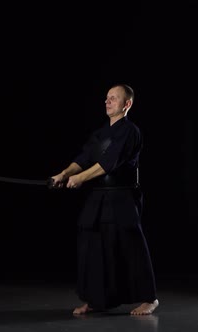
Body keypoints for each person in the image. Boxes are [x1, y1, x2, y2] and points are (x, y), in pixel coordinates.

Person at [50, 84, 159, 315]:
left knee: (130, 246)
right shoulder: (99, 133)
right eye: (107, 98)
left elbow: (110, 162)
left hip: (122, 196)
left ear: (126, 104)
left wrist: (80, 178)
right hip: (99, 195)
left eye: (114, 98)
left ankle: (149, 299)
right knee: (93, 245)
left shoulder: (130, 131)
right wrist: (64, 174)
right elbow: (84, 157)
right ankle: (94, 299)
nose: (107, 102)